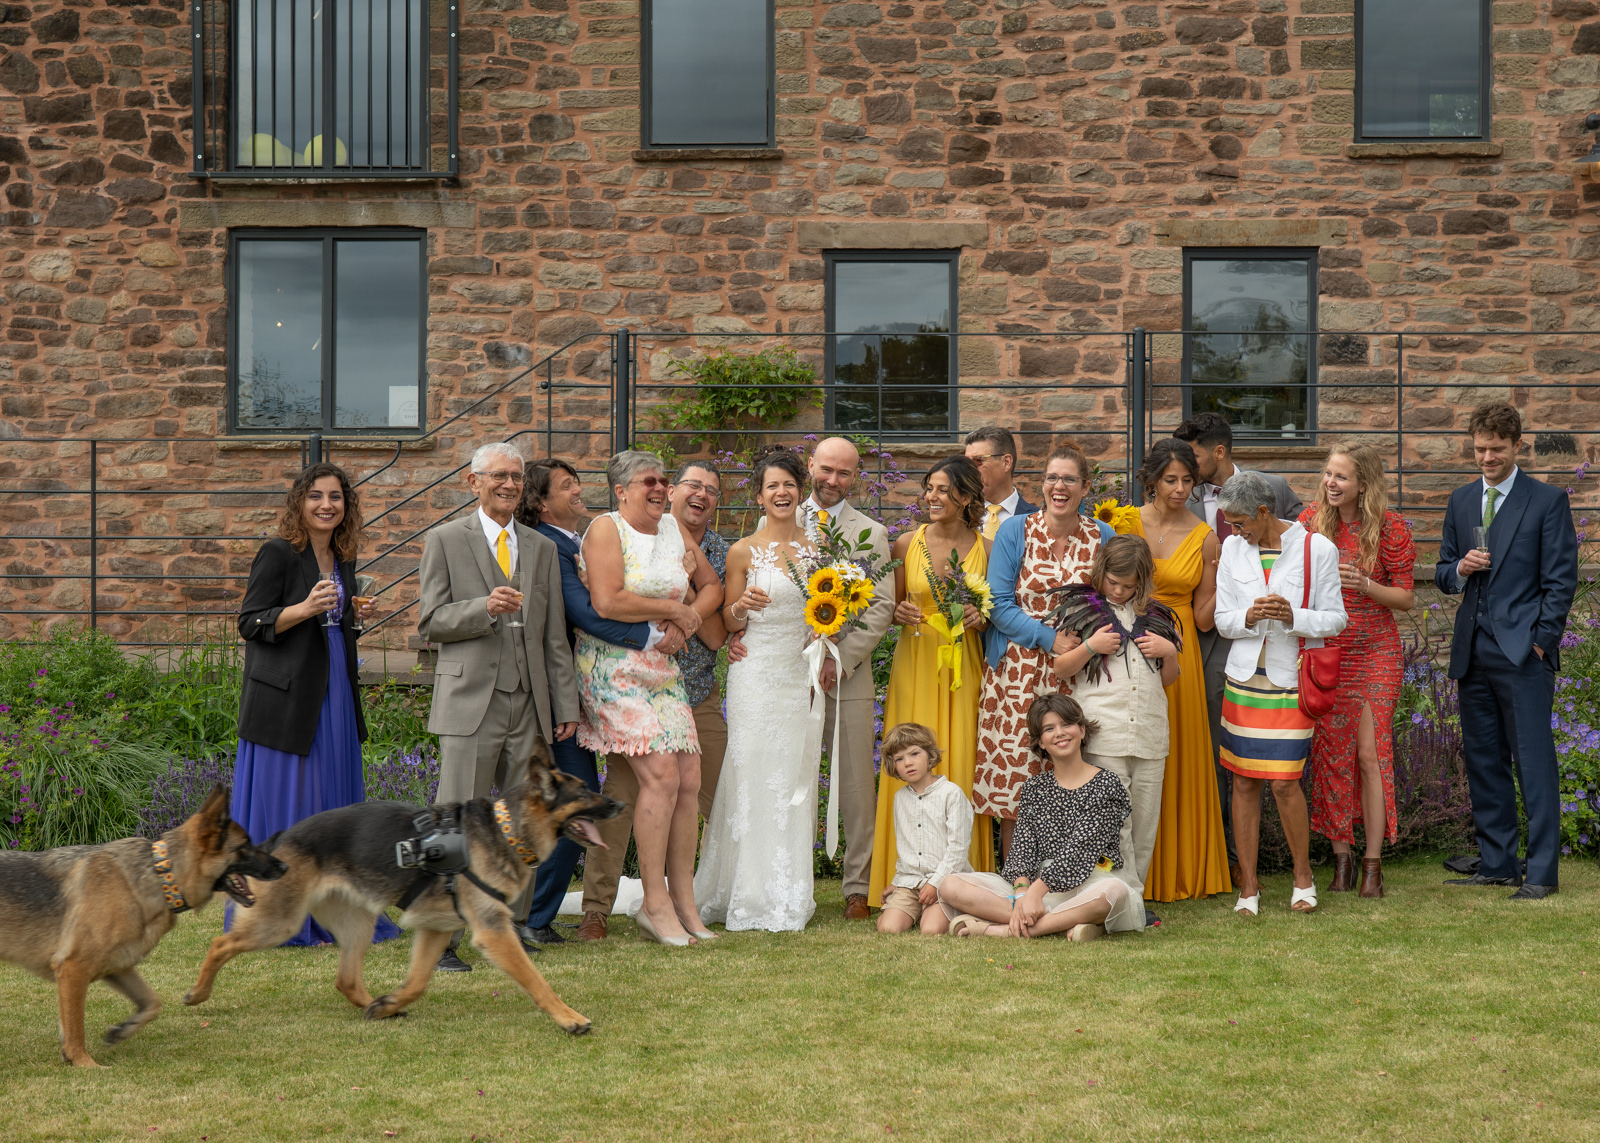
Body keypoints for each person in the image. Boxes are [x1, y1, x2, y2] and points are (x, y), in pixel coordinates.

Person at [418, 442, 579, 971]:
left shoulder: (540, 547)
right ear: (474, 482)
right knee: (454, 819)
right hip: (470, 703)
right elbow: (430, 621)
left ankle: (512, 925)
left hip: (529, 703)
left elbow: (554, 636)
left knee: (525, 818)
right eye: (498, 476)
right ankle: (442, 938)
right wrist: (483, 608)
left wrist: (564, 704)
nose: (509, 485)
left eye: (516, 476)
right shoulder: (445, 540)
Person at [515, 458, 684, 945]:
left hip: (588, 689)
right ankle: (529, 915)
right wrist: (659, 633)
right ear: (541, 502)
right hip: (561, 691)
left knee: (577, 800)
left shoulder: (577, 539)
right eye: (567, 486)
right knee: (567, 800)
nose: (578, 491)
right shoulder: (548, 544)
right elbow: (589, 614)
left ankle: (535, 916)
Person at [234, 462, 400, 947]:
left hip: (335, 690)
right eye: (316, 496)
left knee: (335, 798)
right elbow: (250, 622)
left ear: (347, 505)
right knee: (296, 799)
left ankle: (337, 912)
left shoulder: (342, 556)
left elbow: (333, 625)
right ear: (299, 503)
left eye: (335, 497)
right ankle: (284, 912)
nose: (326, 505)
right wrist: (305, 609)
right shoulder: (278, 552)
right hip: (288, 699)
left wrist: (353, 614)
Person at [577, 461, 731, 940]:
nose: (661, 488)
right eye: (650, 481)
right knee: (661, 773)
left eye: (664, 480)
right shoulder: (606, 529)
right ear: (621, 490)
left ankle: (684, 902)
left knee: (689, 776)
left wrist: (687, 619)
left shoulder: (671, 528)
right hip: (613, 666)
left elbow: (713, 586)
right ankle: (654, 903)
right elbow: (607, 600)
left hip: (662, 666)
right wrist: (674, 611)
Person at [1435, 402, 1578, 900]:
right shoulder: (1460, 500)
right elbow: (1443, 571)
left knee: (1534, 764)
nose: (1487, 458)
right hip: (1472, 651)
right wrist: (1460, 569)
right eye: (1480, 449)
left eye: (1496, 449)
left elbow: (1561, 582)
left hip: (1523, 654)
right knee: (1484, 761)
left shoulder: (1547, 500)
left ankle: (1540, 874)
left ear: (1518, 445)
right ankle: (1497, 864)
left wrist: (1540, 643)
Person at [694, 447, 826, 932]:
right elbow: (729, 622)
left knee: (792, 777)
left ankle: (787, 889)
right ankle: (745, 891)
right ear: (759, 495)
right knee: (750, 776)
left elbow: (830, 610)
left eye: (789, 484)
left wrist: (825, 635)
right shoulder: (742, 551)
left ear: (800, 492)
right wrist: (742, 607)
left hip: (798, 675)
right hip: (754, 674)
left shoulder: (819, 551)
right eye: (773, 486)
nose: (781, 492)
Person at [1173, 411, 1304, 883]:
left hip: (1276, 645)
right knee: (1220, 751)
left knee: (1277, 759)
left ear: (1219, 451)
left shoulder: (1275, 487)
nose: (1185, 467)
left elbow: (1306, 546)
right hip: (1205, 640)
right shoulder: (1178, 493)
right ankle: (1226, 855)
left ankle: (1278, 853)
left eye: (1194, 456)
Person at [1214, 470, 1347, 916]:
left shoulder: (1317, 548)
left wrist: (1294, 616)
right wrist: (1249, 617)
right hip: (1244, 682)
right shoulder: (1233, 550)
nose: (1235, 532)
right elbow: (1223, 620)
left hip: (1290, 682)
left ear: (1263, 511)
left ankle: (1303, 877)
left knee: (1285, 782)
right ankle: (1248, 886)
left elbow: (1335, 619)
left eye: (1239, 523)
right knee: (1243, 781)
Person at [976, 443, 1113, 860]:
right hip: (1015, 672)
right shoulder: (1015, 531)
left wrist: (1082, 642)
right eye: (1052, 478)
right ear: (1042, 484)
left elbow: (1112, 600)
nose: (1059, 486)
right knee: (1016, 777)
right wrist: (1047, 637)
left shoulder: (1102, 536)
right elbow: (998, 603)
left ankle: (1064, 873)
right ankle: (1015, 875)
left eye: (1069, 479)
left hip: (1077, 671)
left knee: (1070, 771)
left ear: (1085, 487)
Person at [869, 456, 996, 908]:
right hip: (917, 661)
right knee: (909, 751)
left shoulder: (988, 547)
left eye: (943, 490)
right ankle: (901, 879)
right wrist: (898, 612)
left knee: (961, 756)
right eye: (930, 488)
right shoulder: (906, 543)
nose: (932, 497)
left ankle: (959, 884)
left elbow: (996, 613)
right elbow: (890, 606)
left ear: (966, 497)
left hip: (964, 665)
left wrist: (981, 617)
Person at [1115, 438, 1230, 904]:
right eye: (1170, 480)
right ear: (1152, 480)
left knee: (1177, 754)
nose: (1180, 489)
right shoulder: (1123, 522)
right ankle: (1125, 872)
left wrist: (1228, 578)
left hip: (1177, 646)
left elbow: (1203, 620)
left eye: (1187, 480)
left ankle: (1177, 869)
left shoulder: (1206, 537)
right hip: (1123, 639)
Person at [1300, 444, 1416, 898]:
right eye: (1328, 474)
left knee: (1369, 754)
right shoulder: (1311, 521)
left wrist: (1366, 584)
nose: (1331, 483)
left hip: (1375, 653)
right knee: (1332, 756)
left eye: (1341, 477)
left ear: (1363, 484)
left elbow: (1405, 598)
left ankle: (1372, 864)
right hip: (1329, 652)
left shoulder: (1390, 528)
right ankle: (1341, 861)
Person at [937, 694, 1143, 940]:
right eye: (1049, 729)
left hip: (1089, 880)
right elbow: (1022, 849)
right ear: (1041, 743)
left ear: (1082, 730)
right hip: (1036, 888)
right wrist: (1023, 894)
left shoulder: (1106, 783)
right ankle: (1065, 922)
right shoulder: (1034, 788)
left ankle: (1004, 929)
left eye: (1066, 724)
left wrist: (1036, 893)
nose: (1059, 733)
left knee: (1113, 893)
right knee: (950, 886)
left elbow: (1080, 850)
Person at [797, 438, 896, 921]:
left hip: (847, 674)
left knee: (856, 784)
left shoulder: (871, 533)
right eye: (826, 469)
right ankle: (790, 881)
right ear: (810, 466)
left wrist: (842, 658)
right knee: (789, 777)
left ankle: (858, 886)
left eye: (844, 473)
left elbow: (880, 606)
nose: (832, 480)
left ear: (856, 477)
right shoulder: (778, 518)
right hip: (787, 673)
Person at [1050, 535, 1178, 894]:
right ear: (1101, 572)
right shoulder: (1082, 611)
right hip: (1105, 733)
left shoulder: (1156, 617)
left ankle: (1131, 897)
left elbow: (1169, 679)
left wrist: (1170, 652)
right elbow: (1061, 668)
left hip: (1149, 735)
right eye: (1113, 582)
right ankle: (1121, 898)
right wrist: (1091, 647)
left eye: (1128, 586)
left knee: (1144, 825)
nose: (1119, 591)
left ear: (1143, 582)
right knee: (1113, 826)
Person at [876, 723, 974, 936]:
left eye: (914, 754)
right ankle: (910, 906)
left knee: (931, 930)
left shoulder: (951, 794)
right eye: (899, 759)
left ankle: (954, 910)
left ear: (929, 755)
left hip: (945, 881)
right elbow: (906, 848)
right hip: (910, 882)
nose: (908, 763)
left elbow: (958, 850)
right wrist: (898, 883)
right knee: (887, 928)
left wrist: (934, 883)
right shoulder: (900, 798)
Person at [965, 426, 1036, 539]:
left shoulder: (1037, 520)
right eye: (966, 463)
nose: (969, 469)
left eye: (978, 461)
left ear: (1006, 462)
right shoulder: (959, 517)